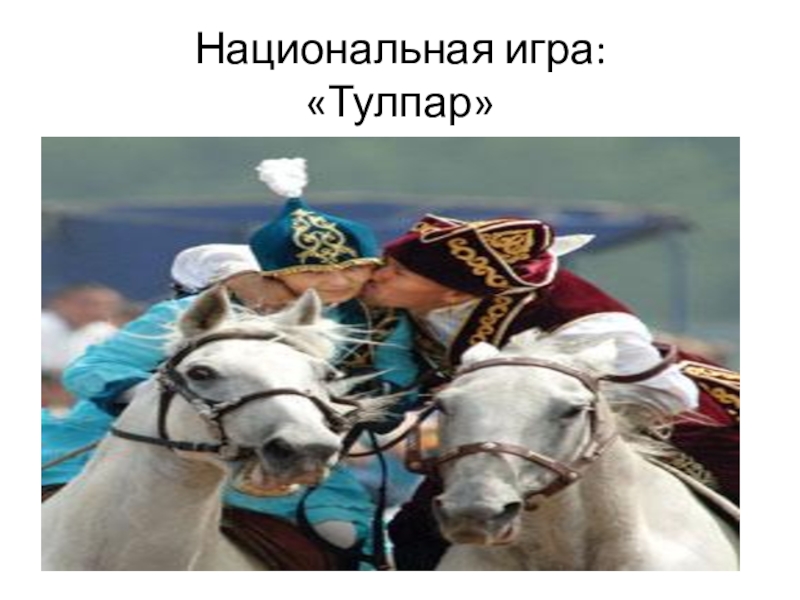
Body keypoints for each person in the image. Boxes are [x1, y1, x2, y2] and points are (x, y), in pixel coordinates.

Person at [44, 158, 421, 570]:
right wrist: (164, 401)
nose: (338, 281)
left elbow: (395, 382)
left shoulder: (377, 320)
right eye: (315, 271)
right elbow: (92, 369)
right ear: (275, 272)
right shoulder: (193, 311)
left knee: (343, 536)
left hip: (289, 442)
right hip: (136, 438)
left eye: (353, 268)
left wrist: (348, 409)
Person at [354, 213, 739, 569]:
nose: (377, 275)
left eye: (398, 272)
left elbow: (667, 396)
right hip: (500, 431)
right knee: (413, 531)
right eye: (387, 263)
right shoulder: (402, 298)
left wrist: (543, 406)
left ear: (453, 295)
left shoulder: (586, 321)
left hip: (663, 417)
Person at [41, 283, 124, 373]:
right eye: (87, 304)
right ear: (60, 303)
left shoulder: (106, 332)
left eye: (107, 306)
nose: (96, 310)